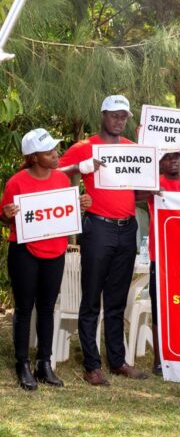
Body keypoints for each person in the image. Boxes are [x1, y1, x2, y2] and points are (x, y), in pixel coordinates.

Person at [58, 95, 148, 385]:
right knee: (91, 298)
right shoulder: (84, 148)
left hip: (127, 228)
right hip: (98, 228)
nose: (120, 120)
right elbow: (53, 175)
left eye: (124, 116)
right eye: (114, 115)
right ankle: (92, 365)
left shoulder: (134, 150)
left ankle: (118, 361)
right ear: (103, 115)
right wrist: (79, 169)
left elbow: (141, 191)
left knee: (117, 300)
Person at [1, 129, 92, 390]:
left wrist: (82, 203)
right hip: (24, 251)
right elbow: (6, 217)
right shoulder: (16, 182)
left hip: (55, 251)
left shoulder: (62, 180)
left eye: (55, 150)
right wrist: (7, 215)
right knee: (23, 308)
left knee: (48, 307)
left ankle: (44, 363)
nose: (56, 154)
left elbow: (68, 210)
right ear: (33, 158)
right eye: (49, 151)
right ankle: (22, 364)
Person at [142, 149, 180, 375]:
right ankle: (159, 358)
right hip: (160, 254)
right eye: (167, 158)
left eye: (176, 157)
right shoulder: (153, 184)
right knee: (159, 307)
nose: (173, 161)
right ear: (159, 163)